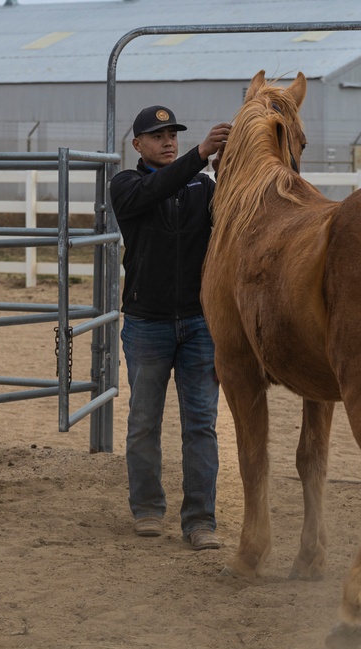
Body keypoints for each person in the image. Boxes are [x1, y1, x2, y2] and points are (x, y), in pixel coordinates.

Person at [110, 105, 231, 550]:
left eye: (173, 134)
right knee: (144, 421)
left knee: (201, 424)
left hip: (199, 324)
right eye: (157, 136)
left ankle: (201, 520)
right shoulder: (126, 185)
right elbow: (157, 188)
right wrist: (200, 154)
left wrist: (231, 165)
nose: (168, 141)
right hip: (147, 324)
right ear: (137, 144)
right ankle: (147, 509)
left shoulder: (205, 187)